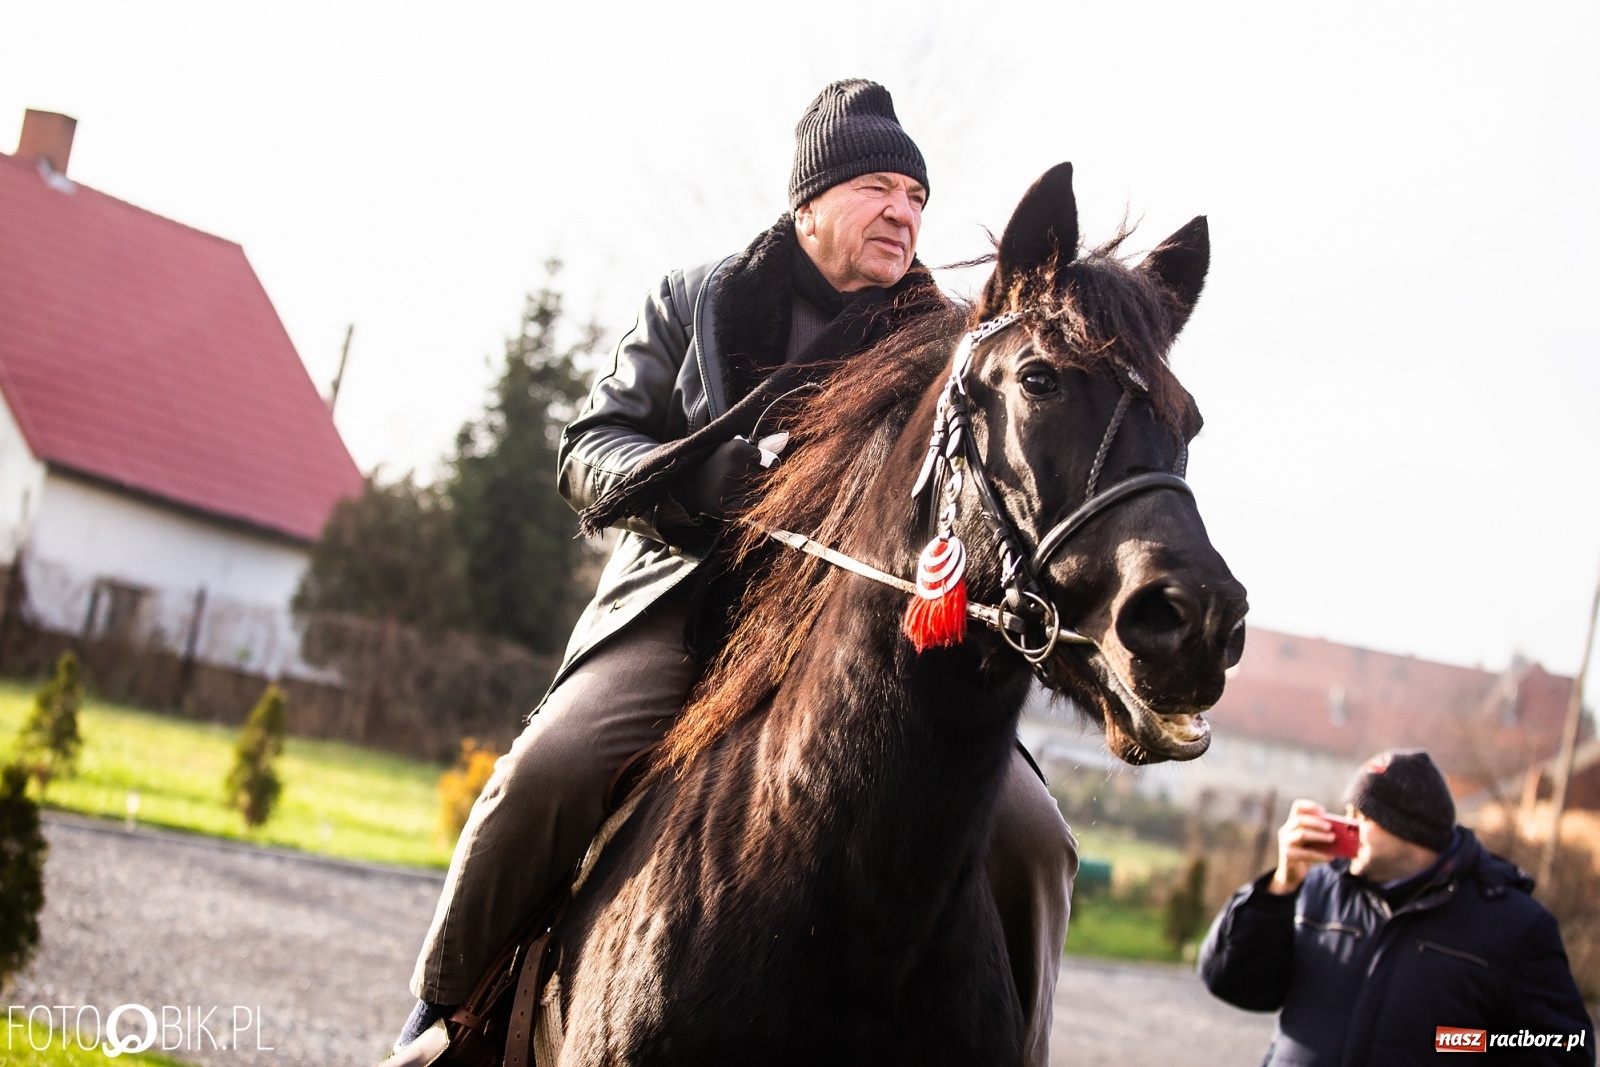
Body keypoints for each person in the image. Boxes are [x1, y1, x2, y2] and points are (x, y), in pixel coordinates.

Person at [394, 79, 1078, 1067]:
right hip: (692, 607)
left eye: (917, 197)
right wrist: (687, 474)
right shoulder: (695, 299)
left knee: (1036, 837)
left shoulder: (952, 342)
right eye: (880, 188)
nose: (904, 212)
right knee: (548, 770)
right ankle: (435, 1019)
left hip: (871, 642)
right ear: (811, 202)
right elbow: (589, 445)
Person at [1199, 749, 1595, 1065]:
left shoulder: (1514, 924)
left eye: (1361, 814)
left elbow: (1564, 1044)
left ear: (1408, 827)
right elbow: (1229, 980)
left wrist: (1456, 1043)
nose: (1344, 824)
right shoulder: (1315, 887)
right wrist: (1280, 885)